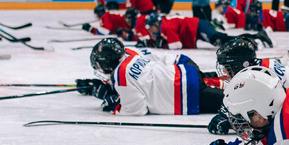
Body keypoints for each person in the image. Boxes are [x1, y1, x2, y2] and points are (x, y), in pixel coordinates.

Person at [77, 38, 224, 115]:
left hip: (185, 93)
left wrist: (114, 105)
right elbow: (142, 75)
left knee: (230, 102)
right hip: (184, 68)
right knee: (215, 80)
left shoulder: (120, 76)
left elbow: (137, 109)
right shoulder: (129, 52)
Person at [141, 11, 270, 50]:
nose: (151, 31)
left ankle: (256, 37)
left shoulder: (166, 27)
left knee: (219, 40)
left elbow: (176, 45)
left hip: (197, 27)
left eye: (151, 27)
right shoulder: (164, 24)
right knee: (223, 39)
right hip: (195, 28)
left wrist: (161, 45)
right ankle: (256, 36)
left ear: (156, 24)